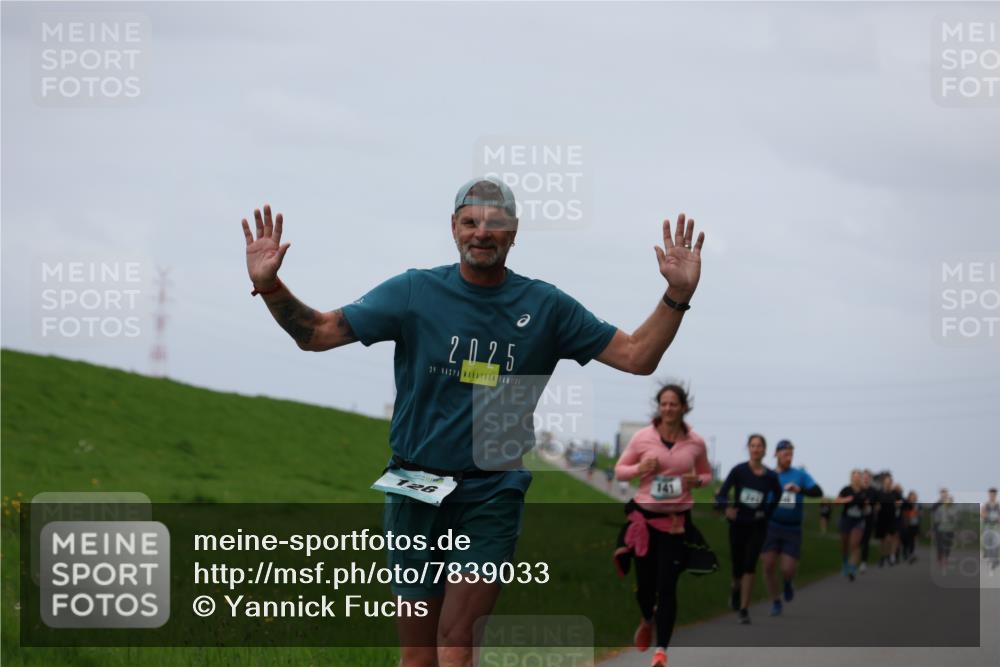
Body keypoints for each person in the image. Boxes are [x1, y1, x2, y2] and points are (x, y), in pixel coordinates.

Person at [240, 178, 705, 667]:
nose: (482, 233)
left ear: (514, 233)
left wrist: (675, 296)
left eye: (495, 224)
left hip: (491, 493)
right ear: (454, 227)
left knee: (457, 647)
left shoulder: (545, 307)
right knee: (419, 659)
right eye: (471, 222)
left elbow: (636, 356)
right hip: (415, 486)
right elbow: (317, 333)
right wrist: (270, 286)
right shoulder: (415, 292)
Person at [614, 384, 713, 666]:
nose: (668, 409)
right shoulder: (643, 438)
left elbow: (706, 475)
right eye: (664, 404)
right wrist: (640, 469)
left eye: (673, 404)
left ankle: (661, 652)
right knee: (645, 587)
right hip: (645, 522)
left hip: (675, 525)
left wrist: (698, 482)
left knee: (667, 587)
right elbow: (620, 471)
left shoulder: (696, 442)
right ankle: (647, 619)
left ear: (683, 407)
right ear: (659, 407)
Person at [715, 434, 782, 624]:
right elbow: (721, 494)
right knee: (738, 567)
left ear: (764, 450)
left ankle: (744, 609)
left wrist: (767, 512)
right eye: (752, 446)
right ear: (748, 449)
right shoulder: (739, 471)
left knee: (750, 564)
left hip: (758, 525)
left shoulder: (771, 476)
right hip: (738, 524)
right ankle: (735, 589)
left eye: (759, 446)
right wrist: (726, 508)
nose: (756, 449)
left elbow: (777, 495)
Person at [760, 440, 822, 617]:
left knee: (787, 569)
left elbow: (817, 491)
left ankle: (787, 583)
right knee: (768, 566)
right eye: (785, 453)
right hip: (771, 525)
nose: (788, 457)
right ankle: (776, 601)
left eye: (791, 454)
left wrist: (799, 489)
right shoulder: (769, 475)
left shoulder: (800, 475)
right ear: (776, 454)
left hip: (792, 529)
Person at [834, 469, 867, 581]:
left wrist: (868, 506)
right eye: (855, 476)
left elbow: (869, 506)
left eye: (859, 476)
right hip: (846, 519)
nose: (857, 478)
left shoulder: (864, 491)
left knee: (854, 544)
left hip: (859, 520)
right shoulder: (846, 489)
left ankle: (852, 568)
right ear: (851, 478)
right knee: (845, 545)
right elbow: (837, 502)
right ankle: (845, 563)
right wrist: (846, 499)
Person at [874, 473, 903, 567]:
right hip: (881, 519)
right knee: (882, 541)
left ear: (891, 483)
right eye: (886, 482)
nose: (888, 484)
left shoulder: (895, 493)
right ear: (883, 483)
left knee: (890, 538)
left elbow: (900, 501)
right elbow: (874, 503)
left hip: (892, 519)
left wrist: (898, 504)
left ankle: (891, 556)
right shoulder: (879, 493)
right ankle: (882, 557)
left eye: (889, 482)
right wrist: (876, 507)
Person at [932, 489, 957, 574]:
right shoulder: (938, 504)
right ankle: (940, 558)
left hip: (950, 529)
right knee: (939, 544)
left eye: (945, 494)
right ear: (941, 494)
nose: (944, 495)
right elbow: (933, 511)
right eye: (943, 494)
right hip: (939, 528)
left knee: (948, 544)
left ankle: (945, 558)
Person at [858, 469, 876, 573]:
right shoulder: (858, 489)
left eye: (867, 477)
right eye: (864, 477)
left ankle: (863, 562)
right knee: (857, 541)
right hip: (856, 518)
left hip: (868, 519)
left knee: (865, 541)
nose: (865, 479)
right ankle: (854, 561)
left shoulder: (873, 491)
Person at [981, 487, 999, 572]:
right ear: (989, 495)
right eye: (991, 494)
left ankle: (993, 561)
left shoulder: (998, 505)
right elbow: (982, 514)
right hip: (987, 527)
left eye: (994, 494)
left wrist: (997, 517)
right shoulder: (986, 505)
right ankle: (990, 557)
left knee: (995, 544)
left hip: (995, 527)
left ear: (996, 495)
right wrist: (986, 516)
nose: (992, 496)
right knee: (988, 544)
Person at [900, 490, 920, 564]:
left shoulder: (918, 505)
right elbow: (903, 514)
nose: (913, 498)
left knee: (912, 540)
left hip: (915, 525)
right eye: (912, 497)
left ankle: (911, 554)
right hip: (907, 524)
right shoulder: (906, 504)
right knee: (905, 539)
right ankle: (905, 551)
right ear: (909, 497)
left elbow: (919, 515)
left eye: (914, 497)